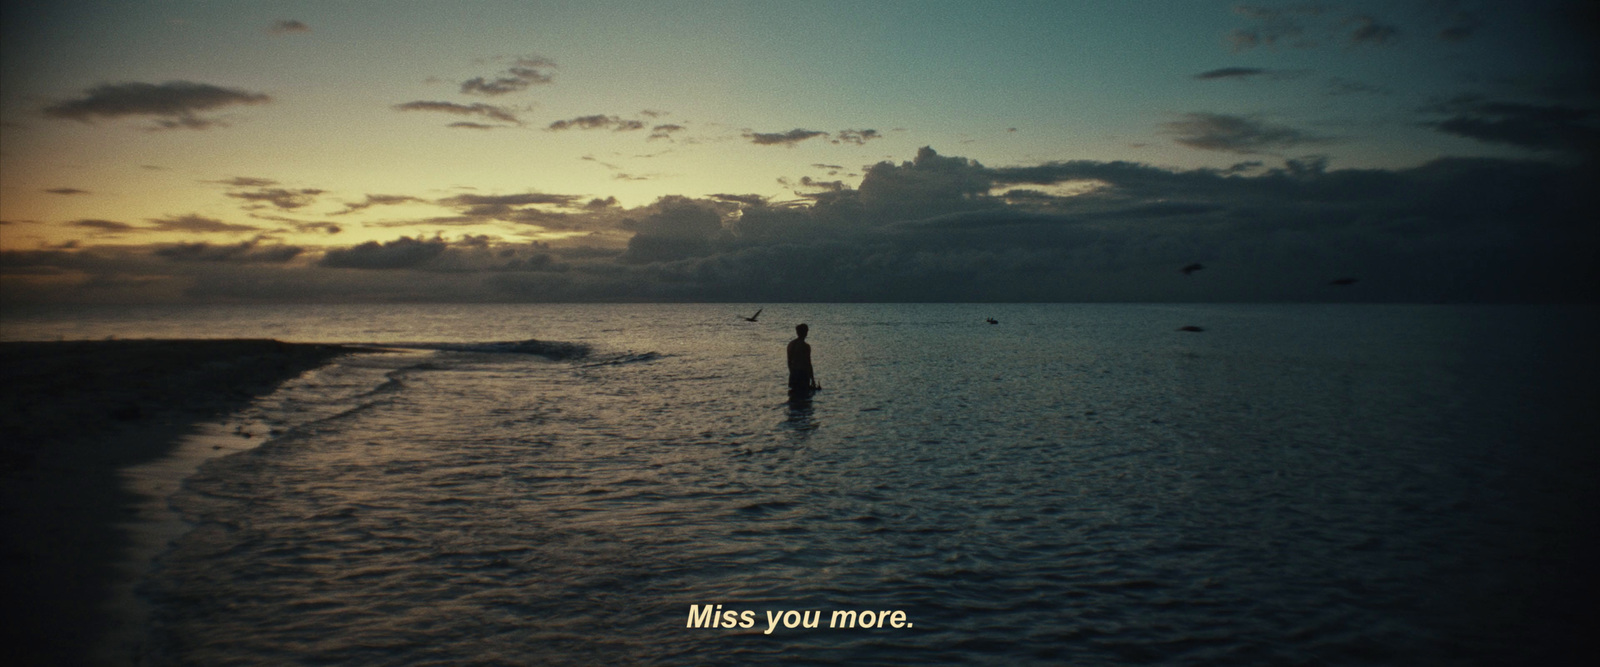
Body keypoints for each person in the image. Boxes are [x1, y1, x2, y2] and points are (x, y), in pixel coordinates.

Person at [787, 323, 821, 391]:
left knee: (794, 396)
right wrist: (812, 379)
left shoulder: (790, 344)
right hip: (802, 374)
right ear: (805, 332)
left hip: (793, 374)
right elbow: (808, 363)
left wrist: (792, 372)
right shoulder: (805, 346)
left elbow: (789, 361)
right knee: (804, 397)